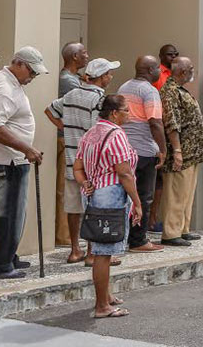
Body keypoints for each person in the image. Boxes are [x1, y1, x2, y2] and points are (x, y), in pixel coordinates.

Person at [73, 95, 142, 319]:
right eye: (126, 110)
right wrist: (137, 202)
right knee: (103, 253)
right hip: (110, 196)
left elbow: (77, 167)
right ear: (114, 113)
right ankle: (102, 306)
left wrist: (85, 183)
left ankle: (107, 295)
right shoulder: (116, 135)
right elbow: (124, 173)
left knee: (104, 251)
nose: (128, 114)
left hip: (93, 195)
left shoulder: (90, 133)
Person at [0, 46, 47, 279]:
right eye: (31, 71)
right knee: (8, 212)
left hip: (12, 158)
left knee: (15, 211)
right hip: (5, 160)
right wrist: (26, 148)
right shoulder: (3, 87)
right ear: (18, 64)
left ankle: (8, 255)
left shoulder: (10, 82)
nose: (33, 76)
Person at [45, 58, 118, 264]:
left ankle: (74, 249)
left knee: (73, 207)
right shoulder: (101, 100)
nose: (110, 77)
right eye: (109, 74)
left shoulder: (71, 94)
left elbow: (49, 110)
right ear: (103, 77)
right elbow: (101, 130)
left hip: (71, 158)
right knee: (94, 207)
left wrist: (65, 127)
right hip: (93, 163)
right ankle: (92, 251)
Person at [159, 57, 203, 246]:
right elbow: (172, 123)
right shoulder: (170, 91)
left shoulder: (180, 90)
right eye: (191, 68)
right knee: (175, 192)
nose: (194, 71)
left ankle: (183, 228)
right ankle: (171, 233)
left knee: (187, 193)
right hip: (181, 151)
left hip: (191, 152)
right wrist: (176, 151)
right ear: (183, 72)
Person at [118, 56, 166, 253]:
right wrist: (162, 150)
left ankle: (124, 237)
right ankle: (138, 240)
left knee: (126, 195)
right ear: (151, 69)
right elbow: (155, 122)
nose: (160, 73)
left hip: (126, 150)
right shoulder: (149, 91)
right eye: (158, 69)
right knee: (144, 196)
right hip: (144, 151)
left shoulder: (123, 87)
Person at [55, 42, 89, 247]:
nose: (87, 56)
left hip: (69, 138)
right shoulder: (69, 82)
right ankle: (65, 235)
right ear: (75, 56)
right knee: (65, 189)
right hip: (66, 141)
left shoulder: (75, 79)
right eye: (84, 53)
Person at [149, 44, 179, 234]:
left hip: (169, 129)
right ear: (161, 56)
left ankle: (154, 219)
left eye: (176, 54)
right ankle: (148, 221)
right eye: (170, 54)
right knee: (154, 178)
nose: (173, 57)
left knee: (161, 180)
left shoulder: (175, 74)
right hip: (155, 129)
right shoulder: (157, 74)